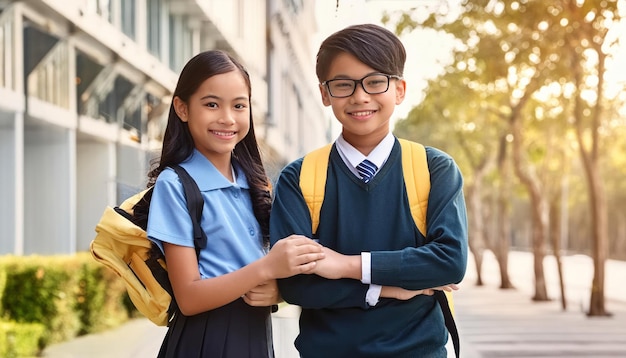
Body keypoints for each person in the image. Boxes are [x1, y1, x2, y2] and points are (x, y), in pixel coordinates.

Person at [269, 24, 468, 357]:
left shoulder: (435, 169)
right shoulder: (299, 177)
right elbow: (296, 283)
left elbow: (448, 262)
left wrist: (345, 265)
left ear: (400, 90)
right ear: (324, 93)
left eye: (375, 82)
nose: (360, 96)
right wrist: (388, 287)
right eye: (344, 85)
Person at [145, 50, 325, 358]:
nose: (228, 118)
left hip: (255, 334)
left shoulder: (253, 182)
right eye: (212, 104)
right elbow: (188, 297)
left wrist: (278, 291)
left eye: (239, 105)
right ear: (182, 108)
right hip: (204, 340)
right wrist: (266, 268)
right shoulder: (174, 185)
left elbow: (268, 269)